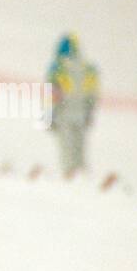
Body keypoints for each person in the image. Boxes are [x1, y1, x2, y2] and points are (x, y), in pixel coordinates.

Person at [46, 34, 99, 176]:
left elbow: (55, 94)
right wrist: (89, 113)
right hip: (81, 113)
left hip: (64, 113)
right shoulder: (88, 68)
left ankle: (69, 175)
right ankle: (83, 174)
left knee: (66, 148)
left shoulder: (58, 67)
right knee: (80, 148)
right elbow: (92, 95)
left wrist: (50, 115)